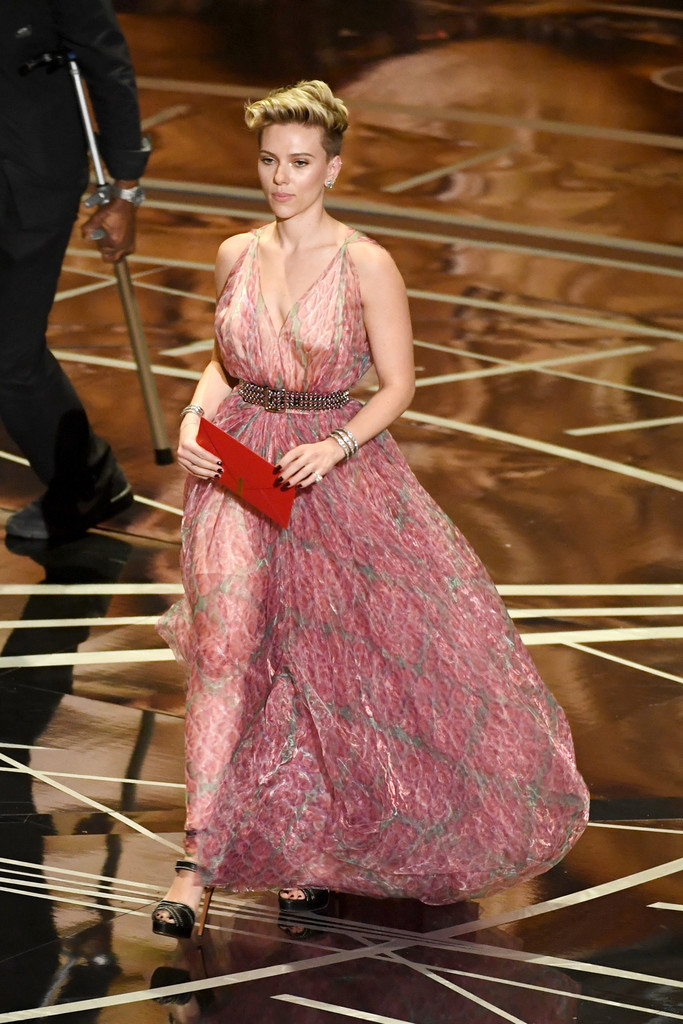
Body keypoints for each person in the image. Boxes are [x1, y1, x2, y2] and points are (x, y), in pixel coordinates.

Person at [154, 80, 589, 937]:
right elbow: (223, 363)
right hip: (238, 466)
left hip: (327, 474)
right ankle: (196, 861)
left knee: (322, 662)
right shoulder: (235, 253)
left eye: (299, 163)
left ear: (332, 168)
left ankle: (303, 846)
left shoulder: (366, 265)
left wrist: (336, 445)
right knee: (228, 651)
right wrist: (191, 420)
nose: (281, 178)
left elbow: (397, 385)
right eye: (269, 161)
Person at [0, 0, 150, 541]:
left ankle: (87, 482)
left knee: (10, 355)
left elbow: (106, 62)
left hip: (27, 179)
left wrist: (126, 188)